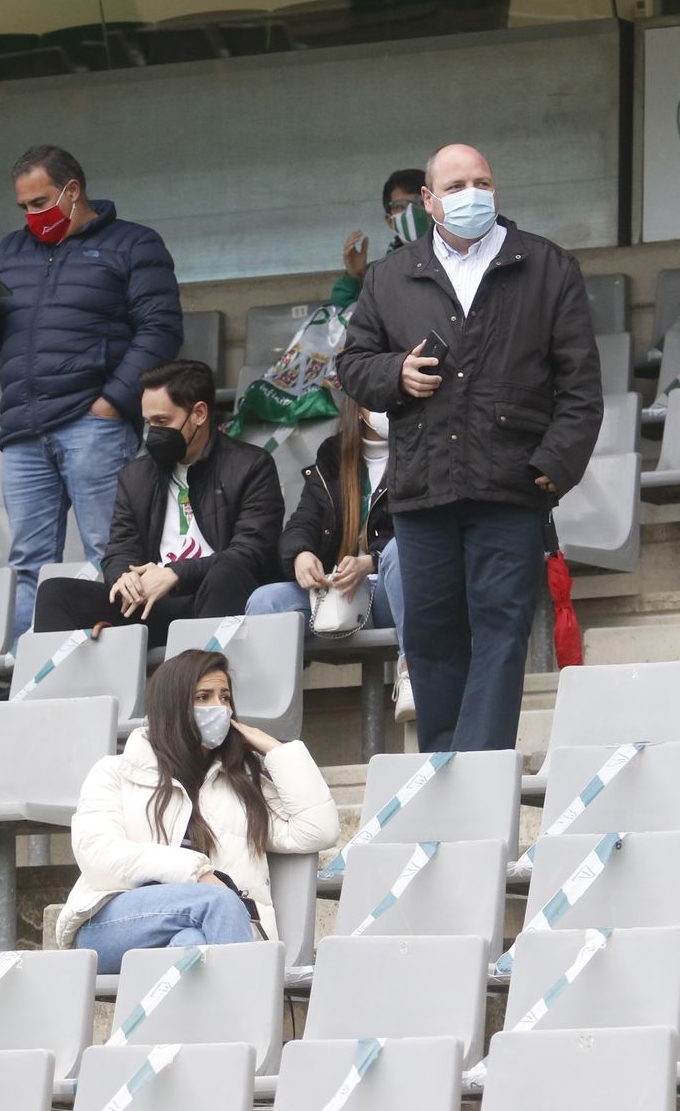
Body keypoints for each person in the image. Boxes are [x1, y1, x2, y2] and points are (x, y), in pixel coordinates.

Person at [337, 143, 602, 753]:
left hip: (511, 487)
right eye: (455, 186)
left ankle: (478, 770)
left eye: (481, 181)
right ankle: (443, 769)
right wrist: (395, 375)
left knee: (501, 634)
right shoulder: (389, 276)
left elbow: (581, 387)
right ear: (428, 201)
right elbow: (353, 366)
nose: (471, 195)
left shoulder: (547, 266)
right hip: (422, 488)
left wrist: (553, 468)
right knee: (430, 638)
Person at [0, 145, 183, 640]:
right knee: (28, 564)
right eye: (23, 207)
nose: (30, 216)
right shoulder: (9, 252)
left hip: (92, 422)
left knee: (113, 554)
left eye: (39, 202)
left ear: (73, 190)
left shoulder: (134, 244)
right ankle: (28, 673)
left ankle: (124, 666)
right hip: (24, 429)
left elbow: (161, 332)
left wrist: (111, 404)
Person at [55, 649, 338, 974]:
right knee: (215, 901)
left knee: (189, 945)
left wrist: (276, 750)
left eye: (225, 697)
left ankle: (213, 1022)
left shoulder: (242, 783)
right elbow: (98, 856)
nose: (217, 707)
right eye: (203, 697)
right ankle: (250, 1014)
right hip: (111, 924)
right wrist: (197, 873)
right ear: (173, 706)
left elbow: (319, 830)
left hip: (210, 926)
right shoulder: (114, 772)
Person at [32, 360, 282, 647]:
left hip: (217, 599)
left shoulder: (251, 465)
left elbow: (252, 552)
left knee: (225, 574)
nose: (153, 433)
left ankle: (197, 685)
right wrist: (124, 577)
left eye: (163, 422)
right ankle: (67, 691)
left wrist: (175, 574)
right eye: (148, 423)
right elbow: (118, 552)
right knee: (55, 593)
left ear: (199, 414)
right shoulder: (136, 474)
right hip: (153, 604)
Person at [243, 395, 414, 717]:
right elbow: (301, 522)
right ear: (358, 406)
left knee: (402, 552)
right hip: (337, 595)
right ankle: (266, 715)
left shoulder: (421, 449)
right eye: (378, 395)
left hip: (395, 593)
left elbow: (425, 529)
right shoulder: (333, 456)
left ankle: (412, 673)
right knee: (266, 600)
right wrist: (301, 555)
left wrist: (371, 561)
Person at [330, 168, 429, 309]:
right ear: (390, 221)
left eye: (420, 202)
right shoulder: (377, 275)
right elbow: (344, 316)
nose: (412, 212)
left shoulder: (464, 258)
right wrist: (354, 278)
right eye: (400, 206)